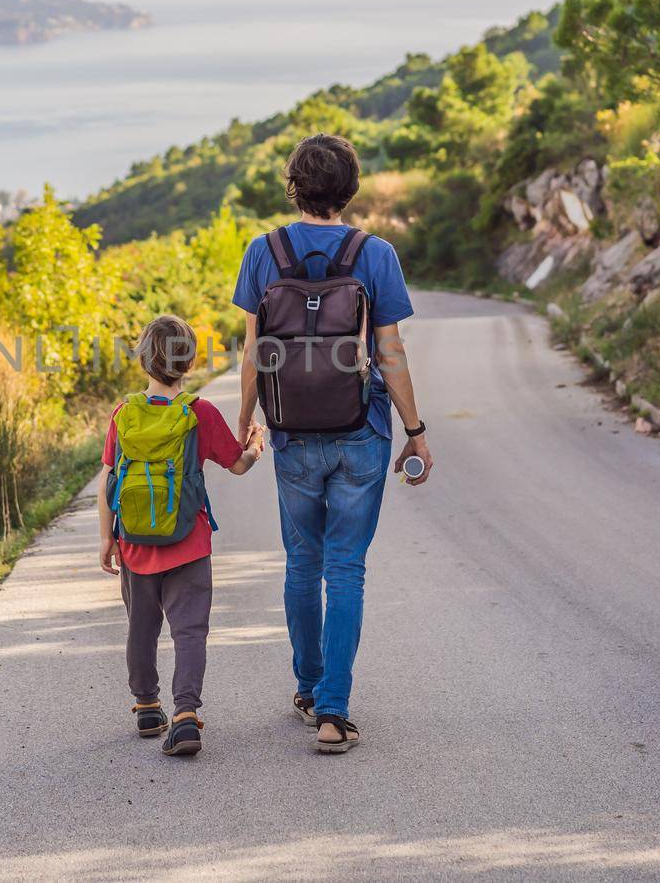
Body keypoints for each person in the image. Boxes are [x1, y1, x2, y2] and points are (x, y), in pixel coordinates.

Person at [232, 133, 432, 754]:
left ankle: (308, 685)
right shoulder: (375, 254)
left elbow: (253, 352)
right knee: (346, 567)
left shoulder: (262, 252)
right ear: (349, 189)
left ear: (294, 186)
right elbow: (390, 352)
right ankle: (333, 711)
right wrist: (416, 430)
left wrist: (245, 425)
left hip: (292, 431)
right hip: (361, 433)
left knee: (302, 562)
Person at [98, 314, 265, 756]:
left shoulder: (124, 414)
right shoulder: (200, 413)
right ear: (188, 362)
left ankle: (147, 704)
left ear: (143, 361)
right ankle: (186, 716)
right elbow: (236, 464)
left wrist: (106, 537)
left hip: (134, 542)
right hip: (188, 543)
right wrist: (254, 447)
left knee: (141, 626)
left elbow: (110, 479)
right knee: (189, 631)